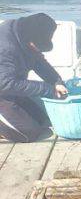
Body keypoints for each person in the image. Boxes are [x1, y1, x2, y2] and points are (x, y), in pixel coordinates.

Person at [0, 12, 68, 142]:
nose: (39, 50)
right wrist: (49, 89)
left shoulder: (23, 34)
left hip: (9, 89)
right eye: (37, 46)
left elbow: (39, 62)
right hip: (3, 87)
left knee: (43, 119)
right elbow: (5, 83)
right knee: (28, 133)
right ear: (29, 40)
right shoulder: (6, 48)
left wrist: (56, 81)